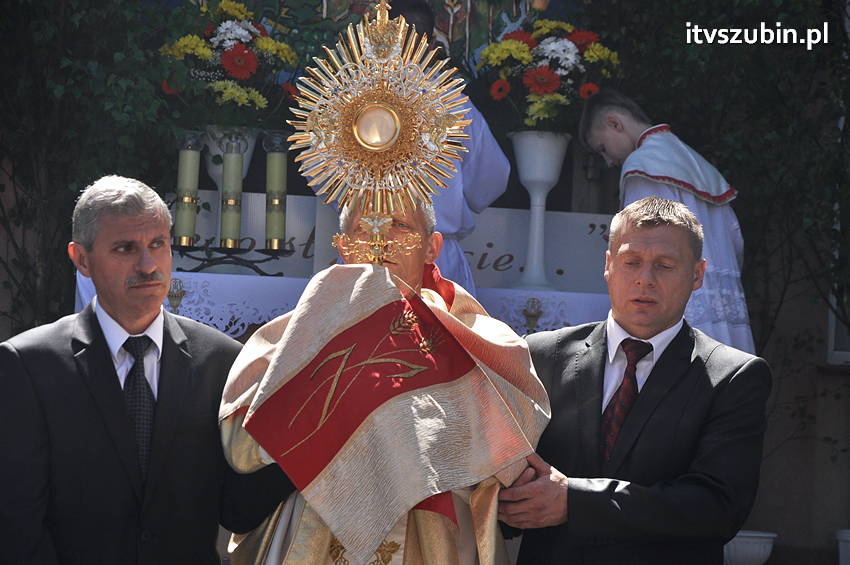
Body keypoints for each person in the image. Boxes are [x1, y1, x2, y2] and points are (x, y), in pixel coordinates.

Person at [219, 198, 550, 565]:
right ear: (343, 247)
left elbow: (510, 467)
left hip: (436, 542)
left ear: (432, 247)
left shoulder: (478, 338)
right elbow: (247, 460)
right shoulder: (288, 340)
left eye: (401, 225)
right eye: (364, 227)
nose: (381, 239)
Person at [0, 175, 291, 564]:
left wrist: (306, 419)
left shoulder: (221, 360)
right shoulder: (30, 365)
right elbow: (17, 523)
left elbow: (238, 510)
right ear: (81, 259)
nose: (148, 265)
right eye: (125, 248)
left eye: (158, 244)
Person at [498, 197, 772, 564]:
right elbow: (505, 476)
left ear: (697, 274)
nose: (645, 278)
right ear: (608, 265)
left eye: (665, 265)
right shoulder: (541, 356)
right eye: (632, 262)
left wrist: (575, 501)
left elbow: (717, 507)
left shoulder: (732, 376)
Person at [580, 88, 756, 353]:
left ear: (614, 123)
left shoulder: (642, 165)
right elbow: (736, 241)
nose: (608, 160)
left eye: (603, 148)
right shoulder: (694, 161)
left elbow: (640, 243)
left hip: (677, 308)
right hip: (724, 311)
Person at [389, 0, 510, 296]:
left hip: (368, 250)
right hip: (437, 251)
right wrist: (454, 205)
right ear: (431, 44)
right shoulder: (454, 104)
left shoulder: (354, 100)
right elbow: (493, 177)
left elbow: (328, 179)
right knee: (441, 341)